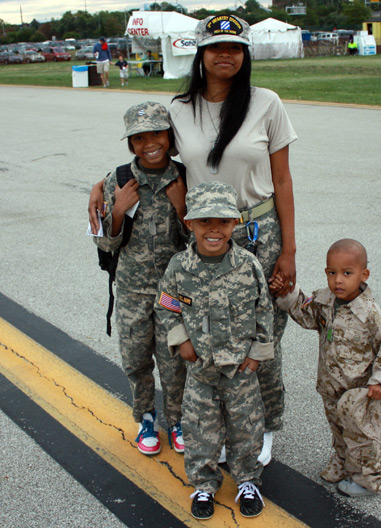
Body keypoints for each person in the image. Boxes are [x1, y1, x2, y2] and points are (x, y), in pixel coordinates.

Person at [169, 14, 298, 466]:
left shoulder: (266, 103)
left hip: (259, 235)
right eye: (216, 47)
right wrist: (103, 186)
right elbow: (152, 160)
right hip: (208, 242)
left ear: (245, 55)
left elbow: (282, 180)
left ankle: (263, 428)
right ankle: (224, 427)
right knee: (212, 340)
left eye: (236, 47)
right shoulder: (179, 108)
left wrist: (289, 250)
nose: (226, 54)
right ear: (200, 54)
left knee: (263, 340)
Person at [155, 181, 274, 519]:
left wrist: (255, 355)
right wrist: (182, 341)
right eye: (204, 221)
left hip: (240, 370)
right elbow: (165, 306)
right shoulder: (180, 267)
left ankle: (247, 480)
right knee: (199, 431)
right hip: (201, 371)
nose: (214, 229)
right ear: (190, 224)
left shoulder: (248, 265)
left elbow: (264, 310)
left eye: (222, 221)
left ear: (234, 223)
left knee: (246, 428)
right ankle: (204, 487)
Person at [271, 239, 381, 497]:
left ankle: (368, 479)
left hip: (358, 392)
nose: (338, 280)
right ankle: (343, 463)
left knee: (361, 436)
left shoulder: (372, 315)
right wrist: (285, 292)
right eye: (332, 273)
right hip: (331, 386)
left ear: (363, 275)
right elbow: (306, 314)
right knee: (338, 428)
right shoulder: (326, 301)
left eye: (347, 273)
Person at [93, 101, 188, 456]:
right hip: (132, 290)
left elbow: (200, 244)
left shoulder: (184, 179)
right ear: (130, 143)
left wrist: (182, 208)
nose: (149, 142)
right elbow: (103, 241)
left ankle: (177, 419)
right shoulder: (116, 181)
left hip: (171, 292)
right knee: (135, 357)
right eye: (139, 137)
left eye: (157, 133)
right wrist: (118, 209)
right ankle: (145, 416)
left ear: (169, 136)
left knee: (174, 359)